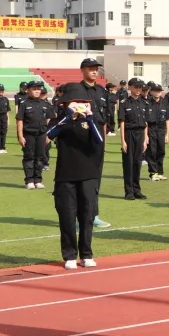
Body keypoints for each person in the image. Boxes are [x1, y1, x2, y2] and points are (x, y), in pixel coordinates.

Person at [46, 85, 105, 269]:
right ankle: (69, 255)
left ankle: (86, 254)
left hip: (88, 175)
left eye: (82, 102)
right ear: (66, 104)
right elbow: (48, 136)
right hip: (65, 175)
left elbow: (99, 140)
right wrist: (68, 117)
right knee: (67, 215)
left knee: (87, 215)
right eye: (75, 102)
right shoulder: (59, 120)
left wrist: (89, 118)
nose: (79, 104)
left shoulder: (90, 120)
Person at [70, 58, 111, 228]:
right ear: (82, 70)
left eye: (96, 68)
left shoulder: (101, 91)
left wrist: (103, 140)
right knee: (81, 179)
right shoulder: (76, 90)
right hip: (82, 137)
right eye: (90, 68)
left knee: (95, 178)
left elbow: (104, 118)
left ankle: (93, 214)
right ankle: (79, 216)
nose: (94, 71)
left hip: (97, 138)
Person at [16, 80, 52, 190]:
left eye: (39, 89)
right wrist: (20, 136)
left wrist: (48, 135)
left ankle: (38, 180)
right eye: (34, 89)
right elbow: (20, 120)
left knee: (40, 157)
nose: (37, 91)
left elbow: (49, 120)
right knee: (29, 157)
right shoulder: (24, 104)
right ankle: (29, 180)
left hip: (42, 134)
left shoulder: (45, 104)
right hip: (29, 135)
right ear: (28, 90)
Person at [145, 84, 169, 181]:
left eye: (159, 91)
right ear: (151, 92)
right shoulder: (147, 103)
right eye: (155, 91)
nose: (157, 93)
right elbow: (146, 121)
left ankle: (160, 172)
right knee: (152, 151)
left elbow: (167, 119)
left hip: (161, 130)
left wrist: (167, 134)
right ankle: (153, 173)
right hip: (151, 129)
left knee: (161, 151)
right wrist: (146, 135)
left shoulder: (164, 103)